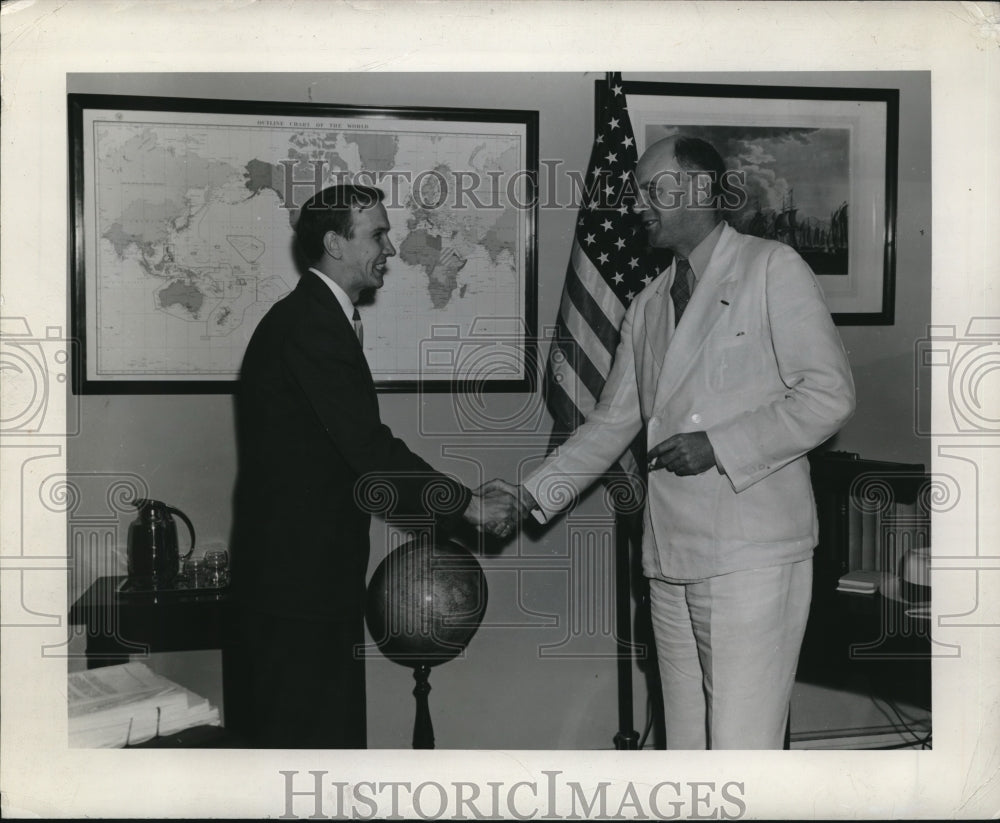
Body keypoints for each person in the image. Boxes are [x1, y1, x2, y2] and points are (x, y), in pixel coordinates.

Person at [493, 136, 856, 749]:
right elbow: (611, 423)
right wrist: (527, 496)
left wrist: (718, 445)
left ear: (698, 191)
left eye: (650, 189)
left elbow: (829, 395)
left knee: (740, 751)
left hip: (751, 556)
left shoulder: (772, 267)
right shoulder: (649, 302)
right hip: (669, 559)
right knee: (684, 752)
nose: (637, 204)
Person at [227, 184, 515, 748]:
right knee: (311, 762)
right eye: (377, 233)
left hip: (303, 586)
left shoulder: (313, 318)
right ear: (335, 242)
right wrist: (467, 507)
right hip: (299, 596)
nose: (390, 246)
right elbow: (370, 452)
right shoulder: (312, 325)